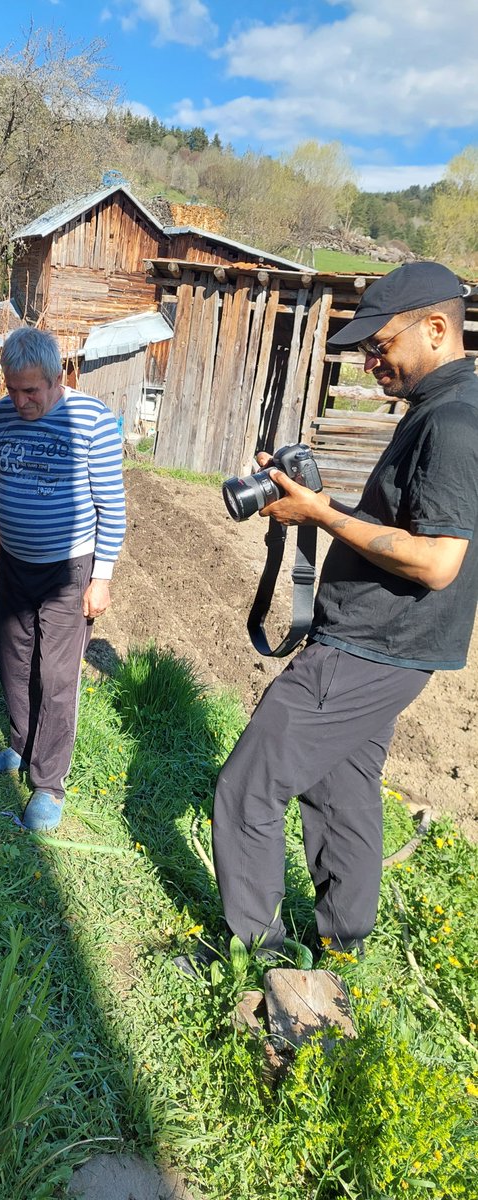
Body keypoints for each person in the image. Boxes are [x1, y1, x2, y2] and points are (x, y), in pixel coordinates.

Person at [211, 261, 478, 956]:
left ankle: (259, 954)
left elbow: (436, 560)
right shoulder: (443, 410)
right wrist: (313, 499)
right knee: (342, 792)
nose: (370, 364)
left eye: (380, 345)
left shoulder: (450, 422)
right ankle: (343, 944)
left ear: (437, 329)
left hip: (369, 646)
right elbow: (411, 525)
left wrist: (322, 514)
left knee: (247, 789)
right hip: (393, 647)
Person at [0, 327, 126, 831]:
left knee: (55, 678)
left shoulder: (92, 421)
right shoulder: (1, 416)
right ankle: (19, 748)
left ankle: (48, 784)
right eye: (12, 388)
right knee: (13, 663)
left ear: (59, 378)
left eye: (31, 390)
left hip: (68, 570)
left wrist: (101, 578)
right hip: (13, 563)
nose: (20, 400)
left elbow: (111, 506)